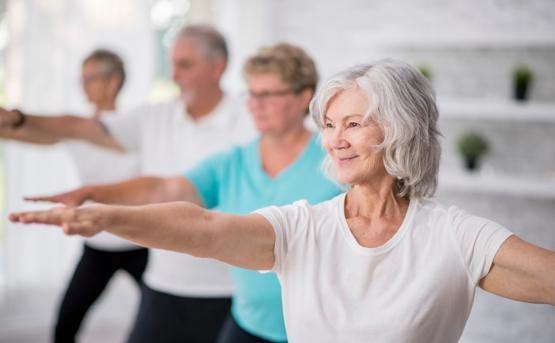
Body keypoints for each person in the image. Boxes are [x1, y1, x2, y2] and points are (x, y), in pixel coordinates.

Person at [10, 59, 555, 343]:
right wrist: (104, 216)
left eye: (355, 124)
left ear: (403, 131)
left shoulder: (455, 237)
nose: (336, 139)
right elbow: (200, 226)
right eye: (329, 125)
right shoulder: (302, 229)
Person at [21, 43, 343, 343]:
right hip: (249, 323)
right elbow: (165, 187)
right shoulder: (233, 161)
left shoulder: (336, 160)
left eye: (269, 95)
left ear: (304, 97)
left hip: (316, 326)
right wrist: (93, 194)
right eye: (251, 94)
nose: (256, 105)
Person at [2, 25, 255, 342]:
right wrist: (18, 120)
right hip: (164, 283)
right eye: (172, 63)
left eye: (184, 65)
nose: (174, 75)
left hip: (228, 288)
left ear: (217, 67)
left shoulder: (250, 120)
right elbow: (81, 127)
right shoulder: (154, 117)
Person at [0, 49, 148, 343]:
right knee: (65, 325)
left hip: (140, 241)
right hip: (98, 244)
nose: (83, 86)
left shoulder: (133, 125)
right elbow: (24, 132)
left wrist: (16, 116)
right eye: (81, 79)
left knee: (157, 321)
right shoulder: (72, 130)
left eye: (90, 78)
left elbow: (79, 127)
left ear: (113, 81)